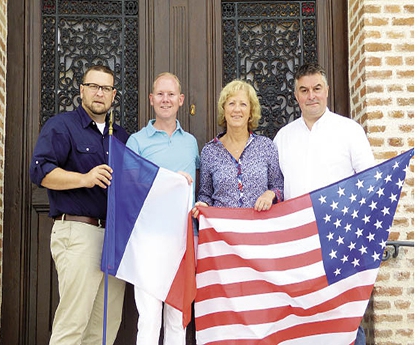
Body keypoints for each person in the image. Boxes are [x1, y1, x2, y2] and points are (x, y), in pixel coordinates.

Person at [273, 62, 374, 345]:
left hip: (340, 239)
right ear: (296, 95)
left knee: (346, 316)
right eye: (304, 90)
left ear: (326, 90)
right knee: (304, 316)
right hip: (298, 244)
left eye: (317, 88)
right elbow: (277, 188)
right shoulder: (283, 137)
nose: (311, 96)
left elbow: (368, 182)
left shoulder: (349, 130)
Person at [29, 65, 128, 345]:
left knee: (104, 329)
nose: (100, 93)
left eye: (106, 88)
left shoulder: (120, 137)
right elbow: (41, 172)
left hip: (114, 240)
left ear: (113, 95)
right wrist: (85, 178)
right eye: (94, 86)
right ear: (82, 90)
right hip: (78, 233)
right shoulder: (62, 126)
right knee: (73, 324)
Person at [125, 72, 200, 345]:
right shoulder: (137, 141)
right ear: (151, 99)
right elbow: (131, 188)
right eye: (160, 94)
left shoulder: (190, 142)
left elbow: (198, 188)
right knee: (148, 318)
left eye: (171, 95)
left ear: (180, 100)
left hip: (182, 238)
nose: (165, 100)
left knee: (177, 318)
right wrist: (171, 180)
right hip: (148, 239)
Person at [192, 79, 284, 215]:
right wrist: (203, 204)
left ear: (251, 111)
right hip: (223, 231)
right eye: (231, 103)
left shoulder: (266, 146)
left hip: (260, 229)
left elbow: (279, 188)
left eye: (243, 104)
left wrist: (270, 194)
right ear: (224, 110)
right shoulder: (210, 151)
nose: (237, 109)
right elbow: (205, 194)